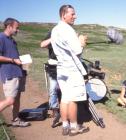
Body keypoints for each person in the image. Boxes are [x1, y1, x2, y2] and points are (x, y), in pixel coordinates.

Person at [51, 5, 89, 136]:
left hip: (61, 68)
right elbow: (77, 51)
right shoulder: (68, 30)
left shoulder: (55, 30)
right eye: (72, 14)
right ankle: (74, 127)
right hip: (72, 69)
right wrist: (81, 42)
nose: (75, 16)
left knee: (64, 98)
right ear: (63, 15)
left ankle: (65, 125)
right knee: (73, 98)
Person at [0, 18, 30, 127]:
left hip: (18, 73)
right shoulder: (1, 38)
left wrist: (22, 64)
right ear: (9, 27)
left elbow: (13, 56)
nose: (18, 30)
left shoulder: (12, 40)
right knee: (10, 100)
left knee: (17, 98)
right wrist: (12, 60)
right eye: (16, 28)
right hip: (9, 74)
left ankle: (16, 120)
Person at [40, 32, 60, 128]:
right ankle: (55, 111)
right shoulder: (53, 32)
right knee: (53, 89)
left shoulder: (68, 32)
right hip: (53, 67)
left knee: (65, 90)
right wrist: (53, 38)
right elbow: (42, 44)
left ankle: (67, 111)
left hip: (66, 66)